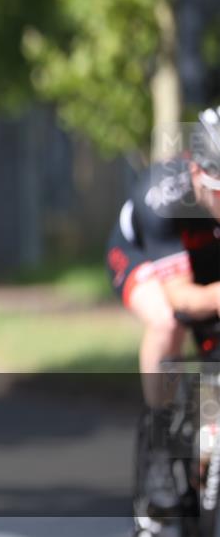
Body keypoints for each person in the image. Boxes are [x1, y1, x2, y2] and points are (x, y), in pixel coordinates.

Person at [105, 105, 220, 536]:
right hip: (144, 259)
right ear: (198, 175)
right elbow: (183, 299)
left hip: (208, 263)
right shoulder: (164, 195)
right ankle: (157, 443)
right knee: (168, 323)